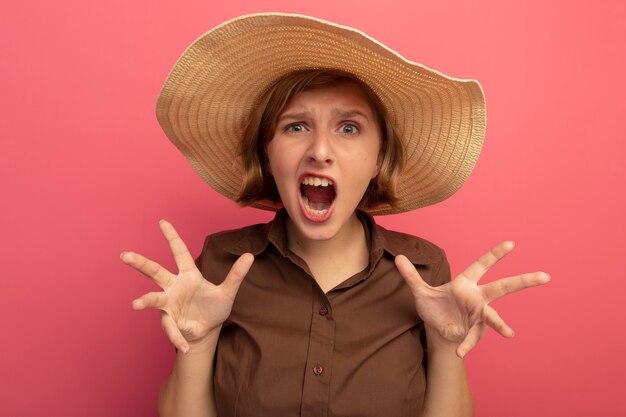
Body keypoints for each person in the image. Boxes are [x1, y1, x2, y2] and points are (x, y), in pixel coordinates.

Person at [120, 13, 549, 417]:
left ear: (380, 158)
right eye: (296, 126)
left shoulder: (426, 270)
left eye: (349, 128)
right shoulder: (219, 263)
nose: (320, 151)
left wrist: (444, 346)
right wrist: (196, 342)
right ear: (267, 157)